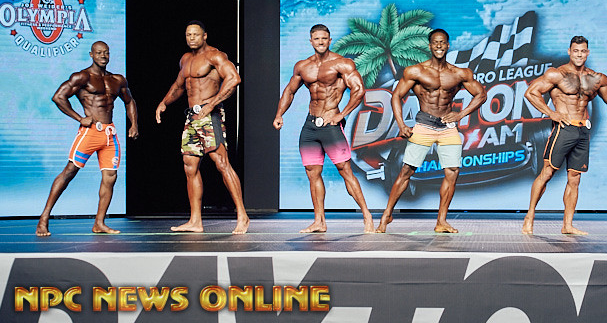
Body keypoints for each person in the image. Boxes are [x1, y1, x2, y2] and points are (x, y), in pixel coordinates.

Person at [375, 29, 486, 233]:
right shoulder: (416, 71)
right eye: (435, 42)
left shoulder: (459, 73)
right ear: (430, 46)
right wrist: (401, 125)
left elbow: (481, 94)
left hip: (447, 128)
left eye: (442, 42)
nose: (439, 46)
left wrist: (461, 115)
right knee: (407, 170)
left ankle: (441, 221)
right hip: (424, 125)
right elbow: (396, 96)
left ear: (448, 45)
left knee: (452, 172)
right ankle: (387, 215)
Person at [273, 24, 375, 233]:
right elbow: (289, 91)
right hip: (310, 126)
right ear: (311, 41)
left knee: (345, 170)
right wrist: (279, 114)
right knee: (313, 172)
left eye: (324, 38)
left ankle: (367, 216)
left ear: (330, 40)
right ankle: (319, 221)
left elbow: (359, 90)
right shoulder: (303, 66)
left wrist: (341, 114)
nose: (320, 42)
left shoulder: (342, 64)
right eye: (317, 38)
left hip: (331, 125)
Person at [155, 20, 249, 234]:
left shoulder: (215, 56)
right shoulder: (185, 59)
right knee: (190, 165)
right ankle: (195, 221)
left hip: (210, 115)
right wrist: (164, 102)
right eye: (188, 35)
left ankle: (242, 215)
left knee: (221, 162)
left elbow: (234, 79)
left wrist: (212, 104)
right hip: (191, 117)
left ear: (204, 36)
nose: (191, 38)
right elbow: (179, 86)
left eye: (195, 34)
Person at [36, 41, 138, 236]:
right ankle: (44, 218)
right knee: (69, 172)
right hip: (89, 132)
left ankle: (99, 223)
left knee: (110, 177)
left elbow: (129, 101)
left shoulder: (117, 79)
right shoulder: (82, 77)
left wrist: (134, 124)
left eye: (106, 53)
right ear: (91, 54)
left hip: (110, 135)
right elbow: (58, 97)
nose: (103, 56)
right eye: (99, 53)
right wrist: (79, 118)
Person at [521, 35, 607, 235]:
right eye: (576, 51)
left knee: (575, 178)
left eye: (583, 51)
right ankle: (529, 216)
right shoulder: (557, 74)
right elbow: (530, 92)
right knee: (547, 173)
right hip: (563, 129)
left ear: (587, 53)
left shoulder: (597, 78)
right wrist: (551, 113)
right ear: (569, 52)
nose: (579, 55)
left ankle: (567, 225)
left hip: (583, 131)